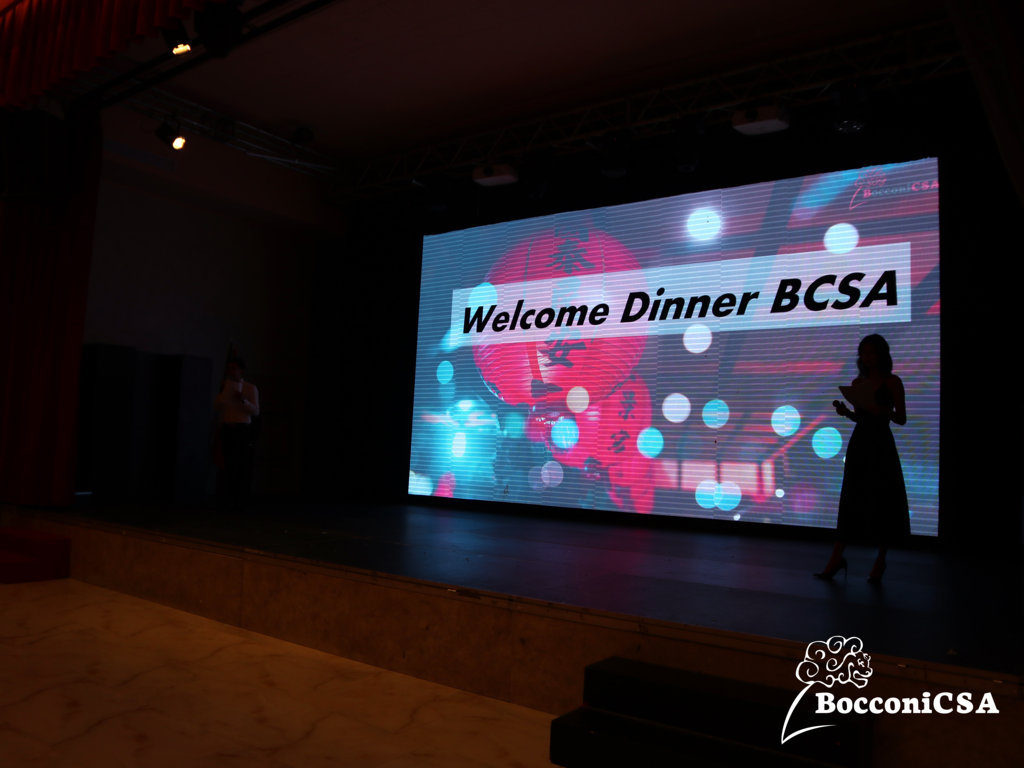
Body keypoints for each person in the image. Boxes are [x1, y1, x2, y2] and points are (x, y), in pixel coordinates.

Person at [814, 334, 910, 584]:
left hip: (881, 445)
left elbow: (901, 418)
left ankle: (880, 560)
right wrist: (846, 412)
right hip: (860, 443)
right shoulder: (858, 382)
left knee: (883, 500)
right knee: (851, 498)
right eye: (864, 353)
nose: (867, 358)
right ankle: (836, 558)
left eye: (871, 352)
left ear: (882, 355)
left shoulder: (893, 382)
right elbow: (861, 417)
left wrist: (883, 410)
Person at [214, 358, 259, 513]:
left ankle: (240, 501)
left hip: (242, 430)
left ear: (241, 370)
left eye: (234, 368)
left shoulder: (250, 388)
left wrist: (243, 400)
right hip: (228, 428)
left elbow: (256, 411)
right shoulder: (225, 386)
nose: (231, 372)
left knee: (241, 465)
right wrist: (223, 393)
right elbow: (217, 406)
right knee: (228, 465)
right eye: (229, 368)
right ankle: (227, 499)